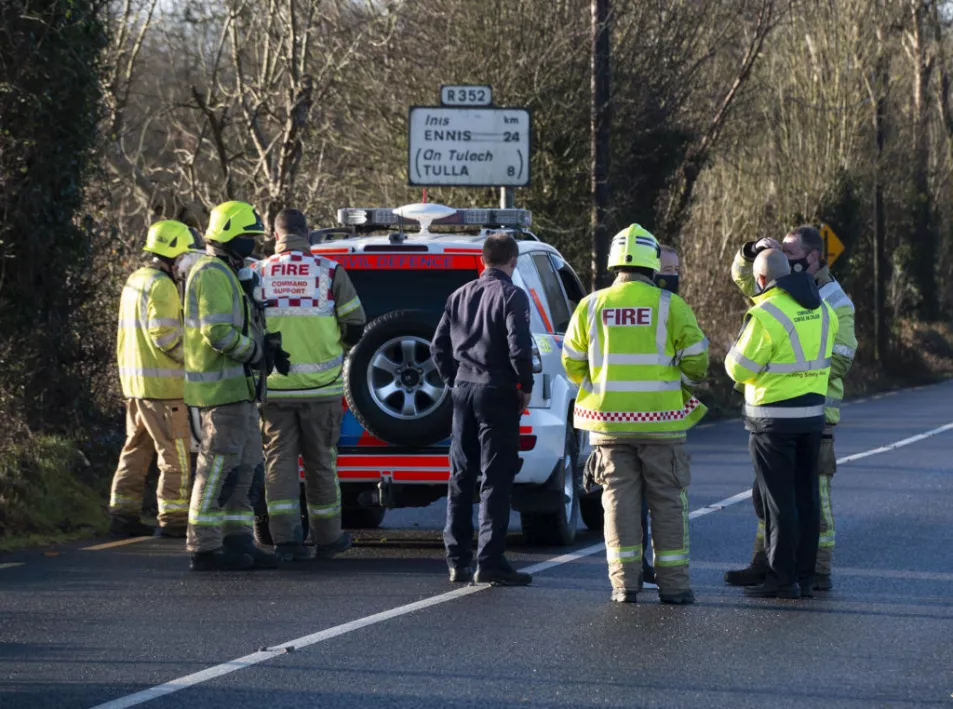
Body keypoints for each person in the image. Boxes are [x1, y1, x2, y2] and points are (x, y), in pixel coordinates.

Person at [561, 225, 709, 604]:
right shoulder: (669, 305)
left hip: (608, 424)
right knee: (667, 502)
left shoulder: (590, 305)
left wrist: (598, 383)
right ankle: (674, 588)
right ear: (653, 263)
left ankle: (624, 585)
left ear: (614, 261)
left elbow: (572, 363)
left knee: (617, 502)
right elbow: (697, 360)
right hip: (661, 423)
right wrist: (684, 382)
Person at [726, 226, 856, 591]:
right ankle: (767, 564)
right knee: (771, 496)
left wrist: (793, 363)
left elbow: (841, 360)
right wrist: (754, 249)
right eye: (780, 253)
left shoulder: (834, 302)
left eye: (791, 253)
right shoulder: (779, 291)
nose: (786, 259)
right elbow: (742, 275)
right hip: (788, 411)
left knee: (811, 498)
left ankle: (816, 569)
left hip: (813, 413)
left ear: (814, 258)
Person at [255, 208, 366, 562]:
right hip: (321, 388)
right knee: (320, 463)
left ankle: (286, 540)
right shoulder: (328, 271)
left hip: (273, 388)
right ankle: (327, 538)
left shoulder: (258, 272)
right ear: (308, 233)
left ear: (276, 235)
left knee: (279, 463)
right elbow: (355, 324)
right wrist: (337, 352)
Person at [183, 200, 283, 571]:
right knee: (218, 470)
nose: (253, 244)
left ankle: (238, 539)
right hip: (220, 394)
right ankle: (205, 547)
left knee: (248, 469)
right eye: (247, 237)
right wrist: (256, 352)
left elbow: (241, 324)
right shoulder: (211, 272)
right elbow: (217, 332)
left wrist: (270, 348)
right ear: (228, 236)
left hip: (241, 393)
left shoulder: (231, 271)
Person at [431, 231, 534, 587]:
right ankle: (490, 560)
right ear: (513, 260)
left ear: (482, 260)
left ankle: (457, 560)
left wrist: (453, 379)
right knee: (495, 479)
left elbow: (438, 346)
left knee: (460, 477)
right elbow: (518, 347)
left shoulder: (459, 295)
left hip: (463, 390)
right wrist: (525, 387)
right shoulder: (512, 295)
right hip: (497, 390)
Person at [110, 220, 195, 538]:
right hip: (165, 389)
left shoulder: (135, 279)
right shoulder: (161, 285)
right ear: (174, 253)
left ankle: (122, 514)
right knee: (176, 456)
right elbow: (165, 335)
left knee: (135, 450)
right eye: (185, 254)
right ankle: (174, 520)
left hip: (136, 387)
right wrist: (196, 359)